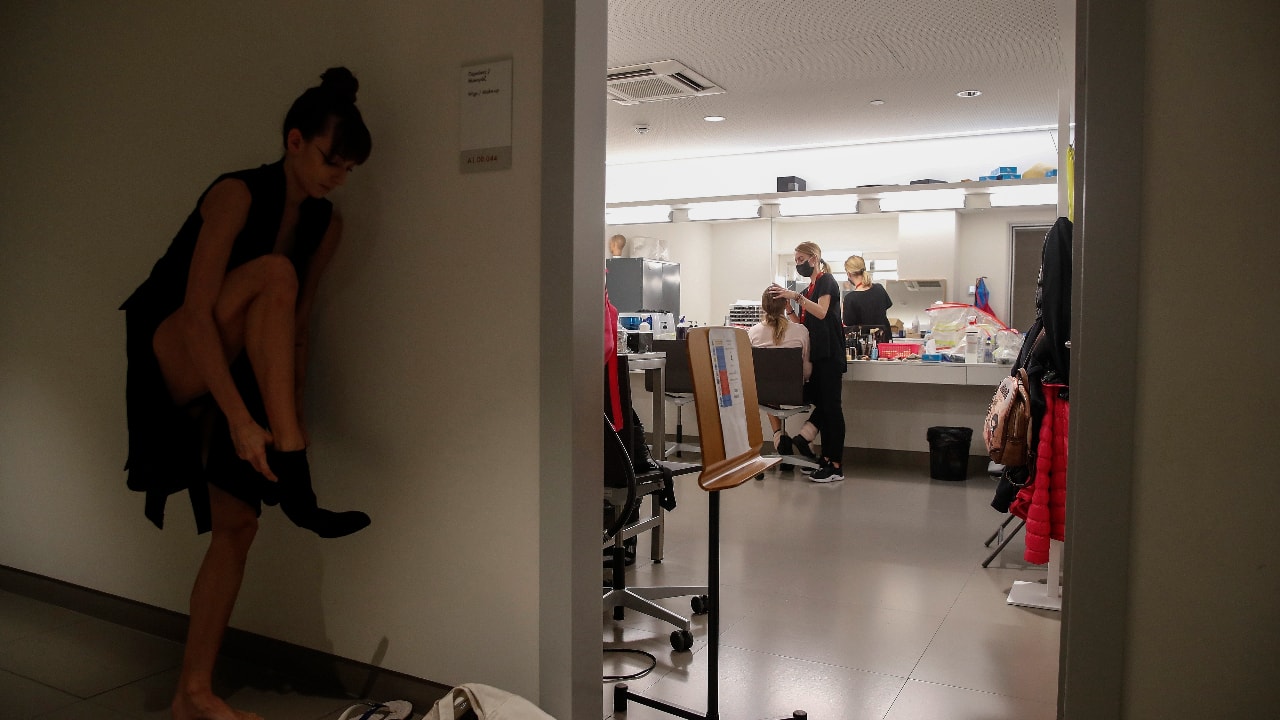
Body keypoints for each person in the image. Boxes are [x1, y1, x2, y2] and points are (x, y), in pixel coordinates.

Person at [119, 67, 373, 720]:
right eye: (329, 160)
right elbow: (199, 314)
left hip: (239, 360)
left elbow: (296, 328)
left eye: (347, 169)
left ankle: (192, 694)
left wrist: (289, 411)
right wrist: (240, 420)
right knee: (272, 270)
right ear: (294, 141)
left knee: (238, 524)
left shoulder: (327, 223)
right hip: (174, 348)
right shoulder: (235, 193)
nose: (335, 177)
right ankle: (298, 474)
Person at [768, 241, 847, 482]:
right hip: (818, 355)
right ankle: (823, 459)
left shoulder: (826, 281)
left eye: (801, 259)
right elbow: (803, 323)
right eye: (796, 260)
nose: (798, 264)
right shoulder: (809, 289)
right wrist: (788, 306)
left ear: (814, 259)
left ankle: (835, 465)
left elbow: (822, 312)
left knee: (831, 410)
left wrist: (796, 297)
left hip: (830, 354)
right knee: (823, 406)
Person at [747, 287, 810, 453]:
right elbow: (807, 371)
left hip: (764, 393)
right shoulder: (801, 330)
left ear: (763, 306)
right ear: (785, 304)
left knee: (768, 386)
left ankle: (778, 436)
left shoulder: (752, 333)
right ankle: (805, 436)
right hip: (796, 393)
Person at [842, 255, 893, 345]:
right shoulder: (879, 289)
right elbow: (885, 307)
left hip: (864, 346)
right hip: (885, 342)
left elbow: (848, 324)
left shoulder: (850, 299)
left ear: (849, 274)